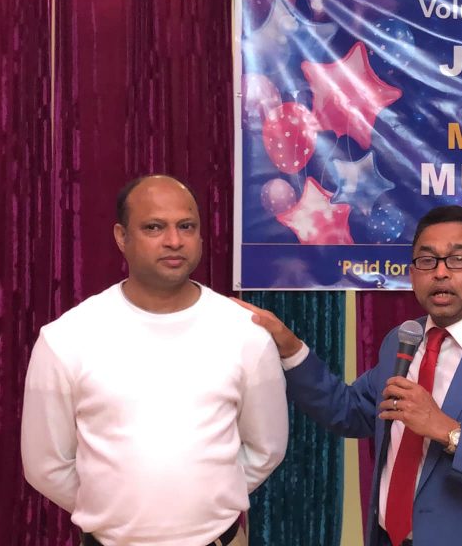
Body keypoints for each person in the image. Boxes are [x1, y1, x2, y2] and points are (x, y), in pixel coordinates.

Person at [235, 205, 462, 546]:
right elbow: (350, 411)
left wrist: (448, 432)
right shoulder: (402, 339)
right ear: (412, 274)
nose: (440, 272)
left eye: (458, 259)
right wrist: (290, 347)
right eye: (427, 260)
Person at [21, 175, 288, 546]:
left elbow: (266, 448)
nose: (174, 241)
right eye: (154, 227)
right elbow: (45, 465)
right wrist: (115, 510)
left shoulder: (245, 332)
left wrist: (206, 500)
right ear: (122, 237)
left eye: (186, 226)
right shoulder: (67, 337)